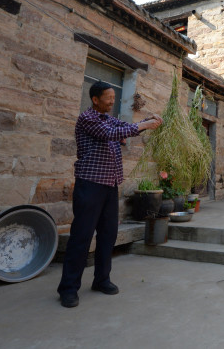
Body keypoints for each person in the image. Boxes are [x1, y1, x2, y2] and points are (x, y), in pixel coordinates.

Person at [57, 81, 162, 308]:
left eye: (114, 97)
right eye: (108, 97)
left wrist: (147, 121)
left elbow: (123, 126)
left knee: (108, 235)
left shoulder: (108, 118)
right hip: (90, 184)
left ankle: (101, 280)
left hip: (109, 185)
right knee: (81, 237)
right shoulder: (88, 119)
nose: (113, 101)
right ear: (95, 99)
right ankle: (68, 288)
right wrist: (144, 127)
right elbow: (112, 134)